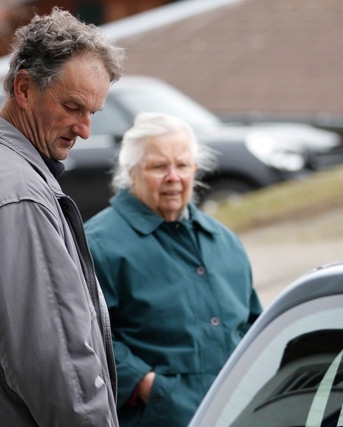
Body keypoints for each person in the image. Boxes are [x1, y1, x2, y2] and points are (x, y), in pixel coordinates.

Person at [0, 8, 125, 426]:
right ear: (24, 88)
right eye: (72, 107)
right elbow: (58, 368)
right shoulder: (18, 196)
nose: (84, 129)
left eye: (93, 113)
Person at [84, 112, 263, 427]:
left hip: (236, 415)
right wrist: (148, 387)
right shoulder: (97, 244)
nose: (173, 177)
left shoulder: (224, 240)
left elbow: (252, 325)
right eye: (158, 166)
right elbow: (86, 337)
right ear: (131, 172)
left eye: (182, 165)